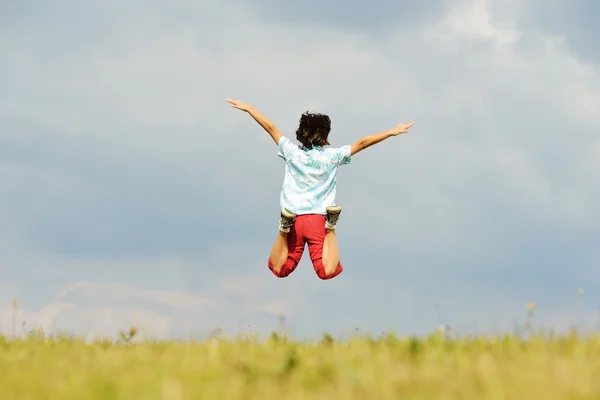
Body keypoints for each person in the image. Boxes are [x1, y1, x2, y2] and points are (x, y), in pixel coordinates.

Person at [226, 98, 415, 280]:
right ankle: (331, 226)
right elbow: (362, 143)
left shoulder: (291, 152)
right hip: (318, 220)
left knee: (279, 268)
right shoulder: (332, 156)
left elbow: (270, 128)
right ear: (325, 135)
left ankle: (283, 228)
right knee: (327, 271)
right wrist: (391, 131)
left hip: (294, 219)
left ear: (301, 132)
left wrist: (249, 108)